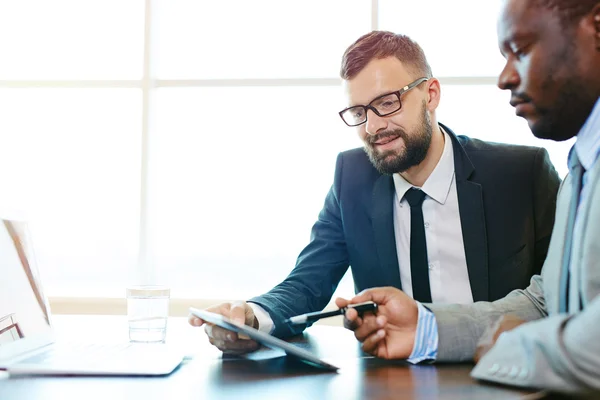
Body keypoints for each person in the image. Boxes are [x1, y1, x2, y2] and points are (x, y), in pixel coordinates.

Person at [189, 31, 561, 356]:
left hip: (502, 371)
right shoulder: (351, 177)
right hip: (391, 379)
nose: (373, 126)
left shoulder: (521, 173)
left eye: (387, 103)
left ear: (430, 94)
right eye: (358, 111)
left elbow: (560, 298)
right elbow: (307, 283)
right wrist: (251, 316)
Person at [336, 0, 600, 393]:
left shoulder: (529, 171)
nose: (505, 78)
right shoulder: (582, 165)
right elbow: (545, 302)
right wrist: (426, 328)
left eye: (522, 51)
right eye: (360, 111)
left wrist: (510, 349)